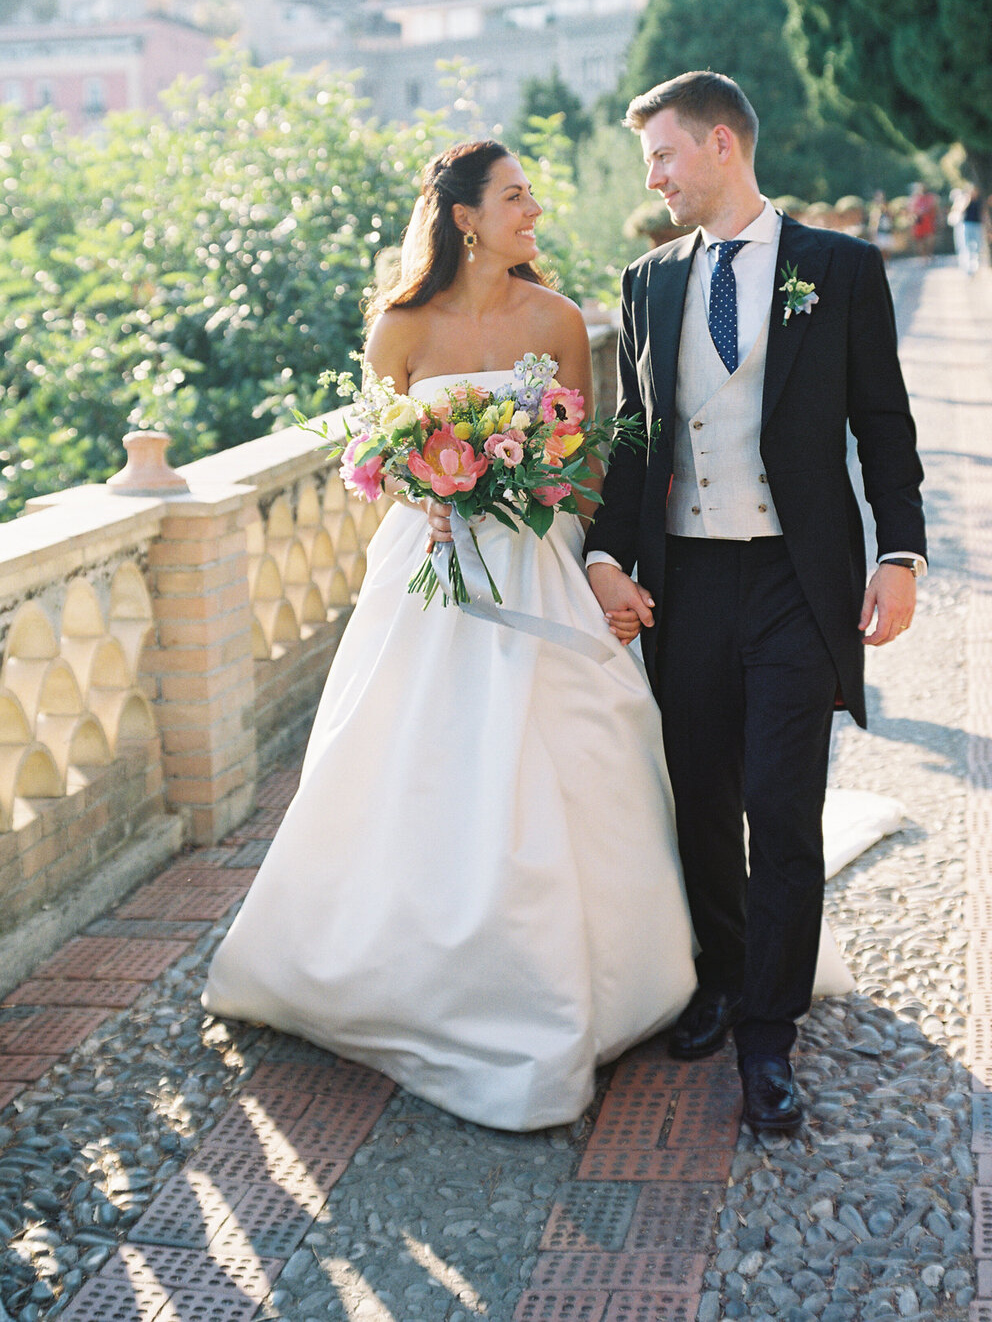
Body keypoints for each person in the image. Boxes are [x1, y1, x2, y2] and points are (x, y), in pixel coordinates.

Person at [202, 139, 697, 1132]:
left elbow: (583, 466)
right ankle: (394, 964)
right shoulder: (398, 328)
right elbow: (370, 459)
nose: (535, 211)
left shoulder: (559, 321)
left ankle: (602, 969)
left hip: (533, 566)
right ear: (467, 215)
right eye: (517, 196)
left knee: (574, 747)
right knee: (404, 756)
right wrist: (426, 491)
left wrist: (556, 524)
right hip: (426, 575)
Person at [585, 72, 926, 1133]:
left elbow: (882, 420)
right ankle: (723, 976)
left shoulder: (838, 267)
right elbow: (636, 429)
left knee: (782, 802)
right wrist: (605, 553)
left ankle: (768, 1034)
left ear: (723, 143)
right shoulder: (647, 281)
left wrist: (901, 551)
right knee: (702, 798)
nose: (654, 176)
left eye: (664, 154)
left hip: (793, 577)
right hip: (687, 582)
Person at [948, 183, 984, 275]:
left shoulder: (979, 202)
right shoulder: (964, 200)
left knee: (977, 246)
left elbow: (983, 214)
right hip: (966, 225)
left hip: (977, 224)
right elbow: (959, 210)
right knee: (966, 245)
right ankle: (967, 267)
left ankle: (975, 266)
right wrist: (966, 201)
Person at [908, 181, 938, 263]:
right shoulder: (914, 199)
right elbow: (911, 211)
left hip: (928, 221)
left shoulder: (929, 197)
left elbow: (934, 208)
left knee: (930, 240)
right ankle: (924, 257)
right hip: (919, 222)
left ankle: (930, 254)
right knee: (920, 241)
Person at [867, 189, 895, 259]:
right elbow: (873, 222)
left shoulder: (887, 207)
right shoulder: (874, 209)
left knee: (887, 249)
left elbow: (891, 219)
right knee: (880, 250)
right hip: (879, 232)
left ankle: (887, 263)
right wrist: (872, 232)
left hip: (887, 231)